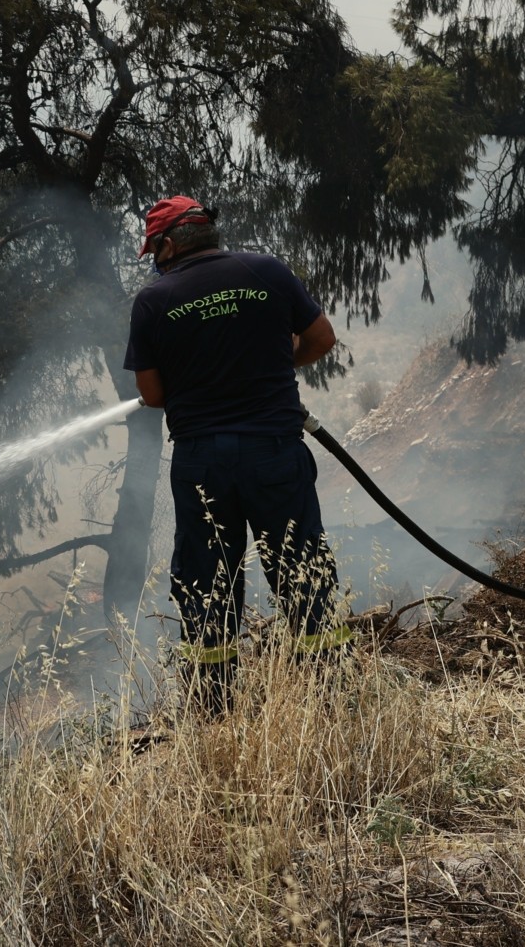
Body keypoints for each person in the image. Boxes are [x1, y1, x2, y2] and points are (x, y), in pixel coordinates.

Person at [122, 195, 349, 703]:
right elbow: (322, 338)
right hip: (274, 452)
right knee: (300, 568)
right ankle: (328, 695)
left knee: (207, 584)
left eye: (154, 249)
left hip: (203, 462)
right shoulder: (266, 270)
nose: (155, 260)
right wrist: (271, 365)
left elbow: (154, 395)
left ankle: (213, 705)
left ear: (167, 243)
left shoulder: (154, 301)